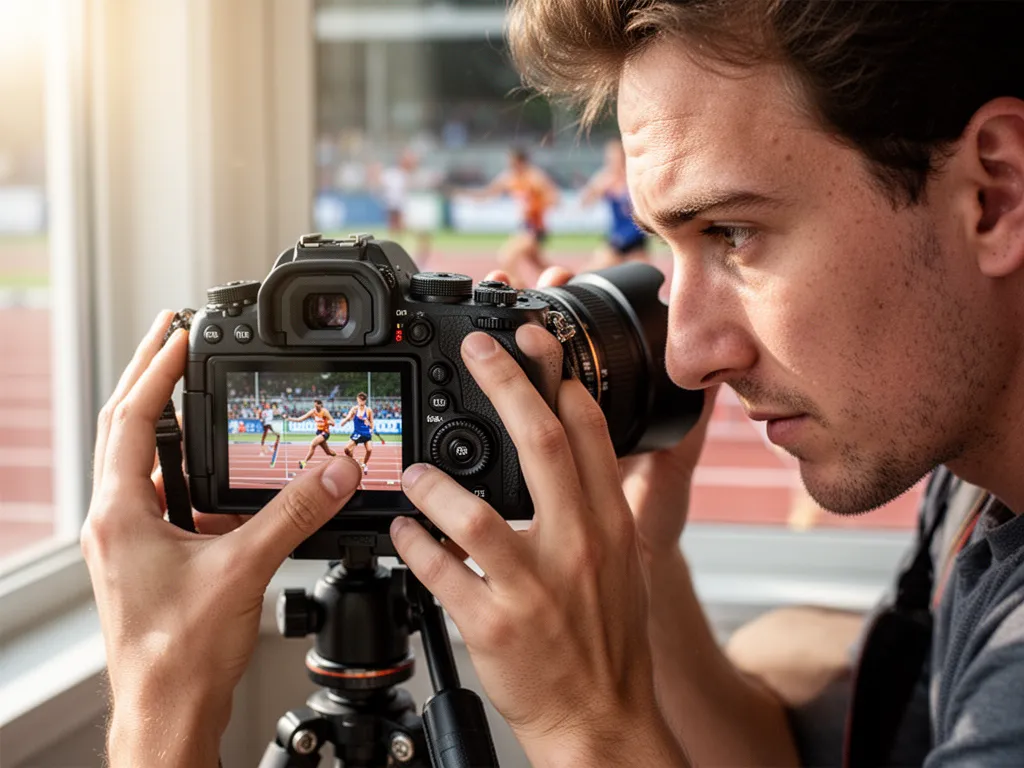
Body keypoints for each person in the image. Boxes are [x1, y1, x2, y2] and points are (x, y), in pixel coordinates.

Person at [81, 3, 1024, 767]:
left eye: (732, 235)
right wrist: (642, 565)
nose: (687, 353)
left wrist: (591, 727)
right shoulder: (978, 478)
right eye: (667, 246)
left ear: (994, 194)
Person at [466, 147, 560, 287]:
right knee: (540, 266)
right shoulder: (510, 177)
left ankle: (520, 291)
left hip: (534, 228)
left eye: (512, 162)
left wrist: (536, 206)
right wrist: (466, 194)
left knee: (507, 257)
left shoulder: (534, 177)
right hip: (524, 227)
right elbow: (489, 192)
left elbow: (554, 198)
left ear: (521, 162)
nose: (510, 165)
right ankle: (563, 283)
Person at [579, 138, 649, 270]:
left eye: (616, 155)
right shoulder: (605, 177)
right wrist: (594, 190)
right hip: (617, 237)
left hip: (636, 237)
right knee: (589, 272)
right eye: (610, 157)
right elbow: (585, 203)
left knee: (644, 281)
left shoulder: (634, 176)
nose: (613, 160)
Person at [286, 399, 337, 470]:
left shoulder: (325, 412)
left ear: (320, 405)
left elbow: (333, 422)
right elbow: (300, 419)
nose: (316, 408)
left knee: (313, 444)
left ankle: (304, 462)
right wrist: (290, 419)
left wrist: (328, 422)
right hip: (319, 432)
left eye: (317, 406)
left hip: (325, 432)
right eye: (315, 406)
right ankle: (338, 458)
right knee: (328, 452)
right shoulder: (313, 412)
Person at [336, 392, 375, 476]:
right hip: (357, 433)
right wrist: (344, 421)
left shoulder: (368, 410)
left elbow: (372, 423)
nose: (361, 401)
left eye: (363, 399)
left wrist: (371, 427)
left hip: (366, 433)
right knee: (346, 449)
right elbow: (348, 418)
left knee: (369, 449)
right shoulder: (354, 409)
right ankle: (354, 461)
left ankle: (364, 464)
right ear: (357, 399)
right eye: (360, 399)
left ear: (365, 400)